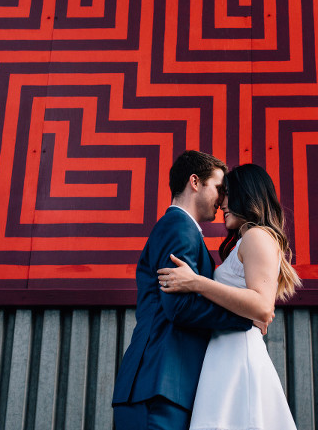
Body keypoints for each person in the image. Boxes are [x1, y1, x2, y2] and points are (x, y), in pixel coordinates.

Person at [112, 151, 267, 430]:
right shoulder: (179, 227)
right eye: (219, 188)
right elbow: (179, 306)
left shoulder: (186, 231)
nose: (223, 200)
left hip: (166, 386)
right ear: (195, 182)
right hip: (159, 385)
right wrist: (246, 319)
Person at [157, 163, 302, 430]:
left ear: (246, 194)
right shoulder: (244, 241)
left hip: (237, 354)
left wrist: (197, 282)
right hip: (224, 352)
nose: (221, 202)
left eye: (227, 193)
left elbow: (262, 305)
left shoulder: (257, 236)